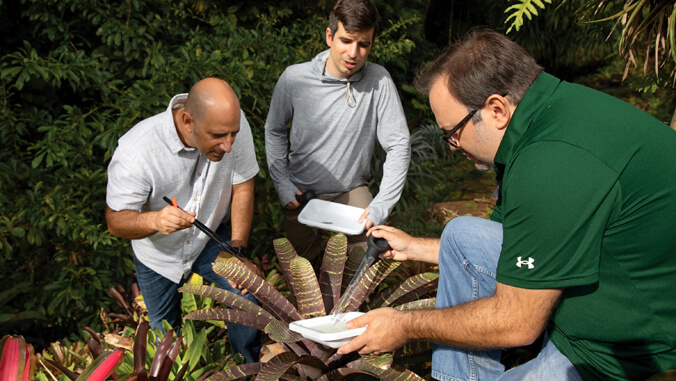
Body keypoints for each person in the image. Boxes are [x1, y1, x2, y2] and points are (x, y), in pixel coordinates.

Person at [338, 28, 676, 380]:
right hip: (602, 283)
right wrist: (415, 247)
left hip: (622, 350)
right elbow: (517, 239)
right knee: (462, 234)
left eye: (453, 132)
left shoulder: (550, 164)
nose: (453, 145)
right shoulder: (546, 115)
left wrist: (404, 326)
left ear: (496, 109)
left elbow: (517, 323)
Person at [105, 78, 261, 363]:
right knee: (165, 337)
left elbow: (243, 186)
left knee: (245, 295)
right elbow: (116, 221)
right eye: (217, 136)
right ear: (188, 121)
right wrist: (154, 220)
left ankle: (248, 368)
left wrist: (238, 249)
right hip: (158, 253)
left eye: (233, 135)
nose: (228, 146)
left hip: (209, 237)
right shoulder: (136, 151)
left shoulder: (233, 127)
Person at [264, 0, 411, 269]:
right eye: (346, 41)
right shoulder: (294, 79)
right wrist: (283, 185)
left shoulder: (379, 81)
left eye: (363, 44)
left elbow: (399, 144)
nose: (354, 53)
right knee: (303, 276)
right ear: (330, 36)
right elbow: (274, 130)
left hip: (351, 190)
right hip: (301, 194)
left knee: (367, 265)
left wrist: (381, 206)